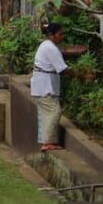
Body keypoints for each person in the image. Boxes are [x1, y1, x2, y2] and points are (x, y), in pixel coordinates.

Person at [31, 23, 69, 152]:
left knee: (45, 114)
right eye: (60, 34)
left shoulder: (46, 45)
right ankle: (48, 142)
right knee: (54, 111)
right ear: (51, 35)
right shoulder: (51, 48)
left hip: (41, 85)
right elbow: (62, 69)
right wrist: (81, 74)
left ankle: (46, 141)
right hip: (45, 87)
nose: (62, 37)